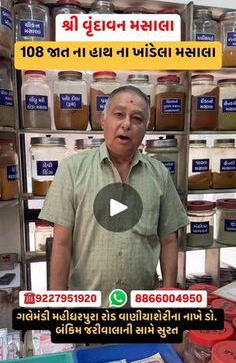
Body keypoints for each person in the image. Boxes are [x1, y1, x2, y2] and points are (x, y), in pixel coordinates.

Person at [39, 85, 189, 306]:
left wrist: (167, 296)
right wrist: (58, 307)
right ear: (103, 120)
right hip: (87, 309)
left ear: (146, 128)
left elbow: (168, 241)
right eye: (119, 115)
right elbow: (62, 244)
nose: (126, 124)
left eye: (137, 119)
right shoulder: (72, 169)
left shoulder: (159, 174)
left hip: (141, 309)